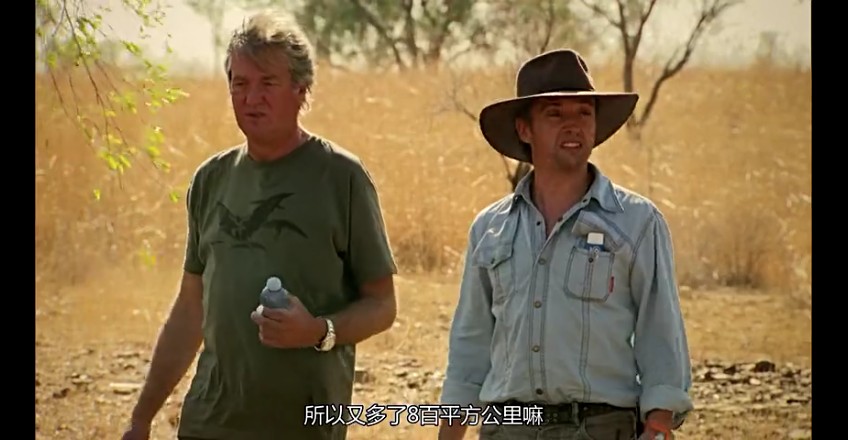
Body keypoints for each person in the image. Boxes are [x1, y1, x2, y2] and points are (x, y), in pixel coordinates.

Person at [121, 10, 398, 440]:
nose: (252, 98)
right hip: (210, 423)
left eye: (268, 83)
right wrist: (141, 418)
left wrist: (318, 331)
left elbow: (382, 305)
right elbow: (191, 308)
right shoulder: (211, 179)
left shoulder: (341, 177)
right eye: (240, 84)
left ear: (300, 89)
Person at [438, 49, 693, 440]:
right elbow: (470, 343)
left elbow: (660, 333)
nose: (573, 125)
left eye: (584, 113)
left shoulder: (637, 222)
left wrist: (658, 423)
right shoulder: (490, 228)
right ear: (525, 130)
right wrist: (450, 432)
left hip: (599, 428)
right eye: (555, 114)